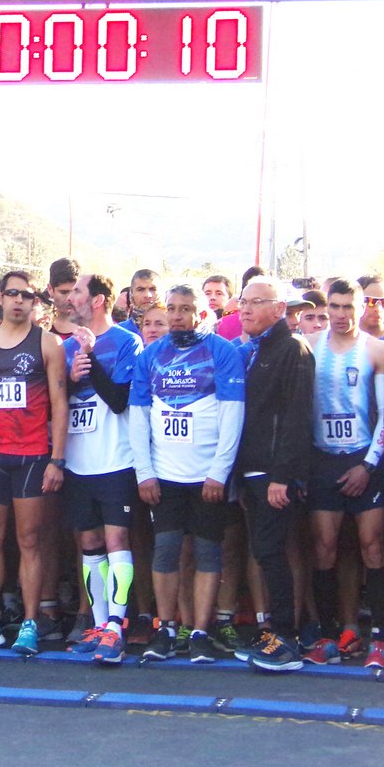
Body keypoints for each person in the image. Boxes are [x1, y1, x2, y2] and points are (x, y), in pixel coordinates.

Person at [130, 285, 245, 665]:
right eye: (173, 309)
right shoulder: (151, 356)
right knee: (166, 550)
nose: (179, 316)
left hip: (207, 476)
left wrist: (219, 473)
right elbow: (138, 416)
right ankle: (166, 628)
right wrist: (144, 472)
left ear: (201, 313)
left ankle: (199, 631)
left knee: (208, 551)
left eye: (186, 310)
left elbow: (233, 415)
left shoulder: (222, 352)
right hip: (165, 476)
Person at [0, 271, 69, 655]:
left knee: (30, 542)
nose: (19, 301)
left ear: (36, 302)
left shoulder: (48, 343)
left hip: (33, 455)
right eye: (13, 294)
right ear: (1, 298)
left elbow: (60, 403)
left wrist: (57, 459)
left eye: (27, 295)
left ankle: (30, 622)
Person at [302, 280, 384, 668]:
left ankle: (379, 635)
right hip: (323, 460)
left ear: (364, 307)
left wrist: (369, 464)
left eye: (348, 307)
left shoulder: (377, 350)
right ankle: (331, 630)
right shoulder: (309, 346)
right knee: (325, 547)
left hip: (364, 457)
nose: (341, 315)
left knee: (372, 546)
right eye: (334, 307)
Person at [232, 278, 314, 672]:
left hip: (274, 471)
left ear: (279, 309)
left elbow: (297, 417)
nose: (245, 309)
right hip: (251, 469)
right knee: (263, 551)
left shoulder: (292, 349)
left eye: (256, 302)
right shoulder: (256, 348)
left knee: (272, 551)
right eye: (243, 301)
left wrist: (283, 475)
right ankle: (274, 631)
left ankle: (285, 637)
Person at [60, 274, 142, 664]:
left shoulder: (127, 341)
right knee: (90, 547)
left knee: (116, 542)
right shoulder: (64, 346)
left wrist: (89, 365)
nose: (69, 297)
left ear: (96, 301)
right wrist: (69, 378)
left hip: (115, 460)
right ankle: (97, 625)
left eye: (77, 291)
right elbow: (55, 401)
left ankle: (116, 626)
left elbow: (121, 399)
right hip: (78, 462)